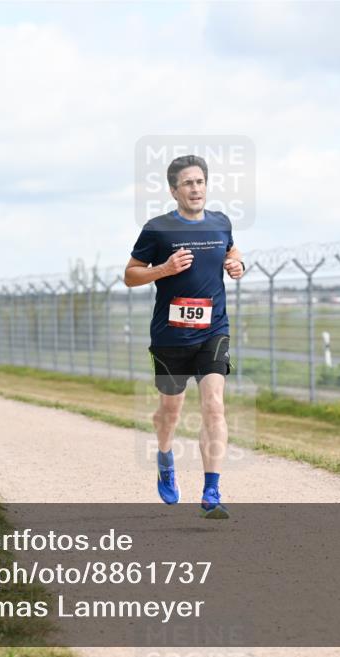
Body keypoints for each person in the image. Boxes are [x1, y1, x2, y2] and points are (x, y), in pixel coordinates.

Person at [124, 155, 245, 519]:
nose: (196, 188)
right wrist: (163, 269)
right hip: (170, 337)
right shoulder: (157, 229)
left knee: (214, 406)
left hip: (213, 330)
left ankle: (212, 489)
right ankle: (165, 457)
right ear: (174, 190)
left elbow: (231, 249)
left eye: (200, 182)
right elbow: (130, 275)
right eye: (188, 183)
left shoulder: (221, 222)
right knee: (170, 412)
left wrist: (237, 263)